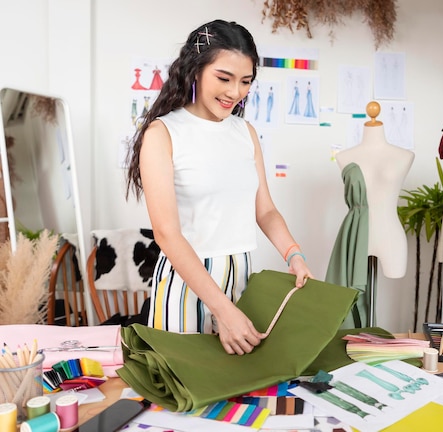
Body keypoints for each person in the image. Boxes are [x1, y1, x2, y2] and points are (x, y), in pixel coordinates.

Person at [126, 19, 313, 355]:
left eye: (245, 82)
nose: (234, 92)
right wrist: (223, 310)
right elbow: (166, 234)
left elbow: (266, 210)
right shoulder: (163, 134)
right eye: (224, 78)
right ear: (195, 70)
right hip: (187, 284)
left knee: (235, 391)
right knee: (183, 394)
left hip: (240, 277)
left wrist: (294, 254)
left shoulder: (246, 133)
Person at [326, 101, 414, 327]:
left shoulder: (405, 155)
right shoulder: (345, 156)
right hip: (355, 239)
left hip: (390, 238)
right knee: (349, 301)